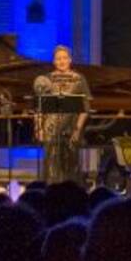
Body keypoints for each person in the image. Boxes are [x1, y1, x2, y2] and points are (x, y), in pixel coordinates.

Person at [32, 45, 90, 185]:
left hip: (71, 129)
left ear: (70, 60)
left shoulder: (79, 79)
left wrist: (77, 130)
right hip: (50, 129)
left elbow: (85, 109)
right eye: (58, 58)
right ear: (53, 61)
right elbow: (38, 108)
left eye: (64, 58)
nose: (62, 61)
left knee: (70, 168)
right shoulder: (45, 80)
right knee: (51, 169)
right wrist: (38, 128)